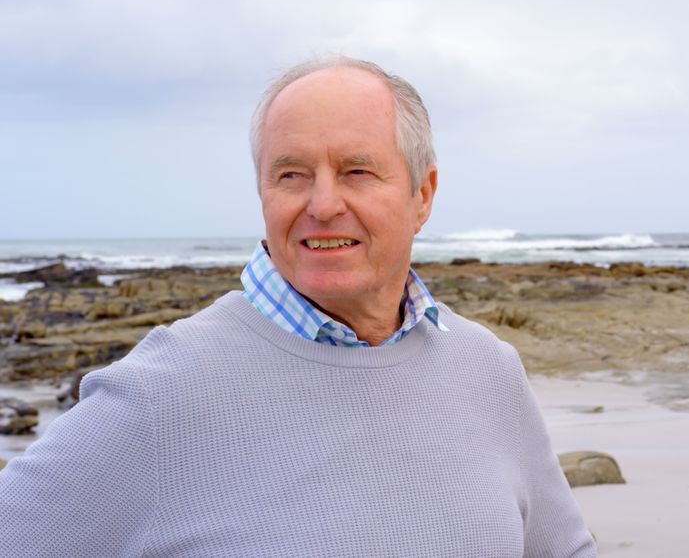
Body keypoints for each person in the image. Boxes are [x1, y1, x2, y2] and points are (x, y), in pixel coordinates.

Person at [0, 56, 597, 557]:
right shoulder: (165, 391)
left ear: (423, 195)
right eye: (291, 174)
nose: (323, 203)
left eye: (357, 171)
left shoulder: (486, 368)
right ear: (263, 191)